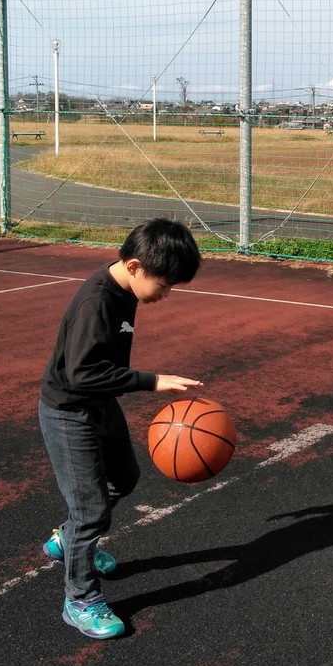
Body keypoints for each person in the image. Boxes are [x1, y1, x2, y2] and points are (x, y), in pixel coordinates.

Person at [38, 218, 204, 639]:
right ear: (133, 266)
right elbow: (80, 375)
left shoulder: (127, 287)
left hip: (99, 404)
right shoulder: (99, 301)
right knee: (91, 511)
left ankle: (67, 540)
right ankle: (79, 599)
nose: (165, 295)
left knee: (125, 477)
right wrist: (152, 380)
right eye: (163, 286)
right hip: (69, 410)